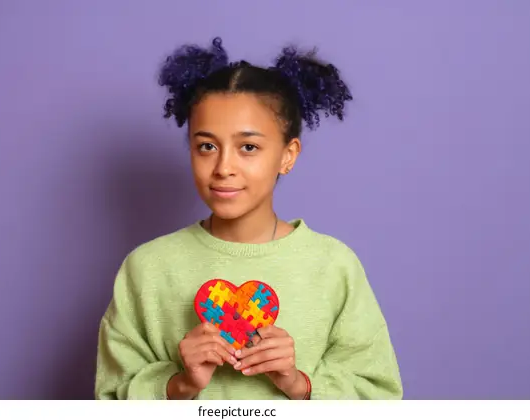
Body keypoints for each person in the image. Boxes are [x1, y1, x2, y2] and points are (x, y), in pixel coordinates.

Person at [94, 37, 403, 400]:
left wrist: (299, 384)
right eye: (206, 146)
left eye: (249, 148)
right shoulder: (147, 268)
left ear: (288, 156)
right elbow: (110, 398)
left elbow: (380, 396)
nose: (223, 167)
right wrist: (179, 384)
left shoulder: (334, 266)